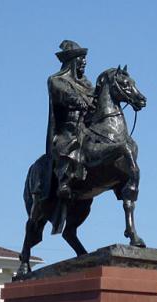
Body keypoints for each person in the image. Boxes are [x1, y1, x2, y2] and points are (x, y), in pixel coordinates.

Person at [45, 40, 95, 231]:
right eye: (81, 59)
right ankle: (63, 183)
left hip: (86, 128)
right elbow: (65, 94)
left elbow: (95, 97)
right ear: (72, 61)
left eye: (85, 59)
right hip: (67, 129)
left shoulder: (86, 83)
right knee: (68, 144)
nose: (84, 62)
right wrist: (79, 100)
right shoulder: (56, 80)